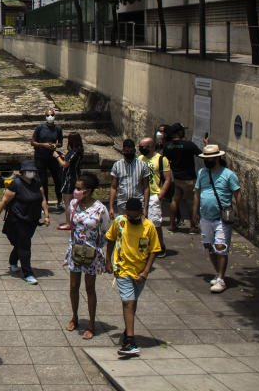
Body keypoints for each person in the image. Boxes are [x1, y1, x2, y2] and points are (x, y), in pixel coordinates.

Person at [105, 198, 161, 357]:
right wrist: (107, 260)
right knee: (128, 302)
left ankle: (128, 329)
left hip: (140, 271)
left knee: (132, 302)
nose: (132, 219)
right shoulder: (120, 222)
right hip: (122, 268)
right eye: (129, 216)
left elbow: (154, 250)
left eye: (135, 216)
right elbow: (110, 239)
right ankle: (130, 341)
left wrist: (146, 272)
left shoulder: (149, 227)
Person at [192, 144, 245, 294]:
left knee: (221, 247)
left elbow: (238, 195)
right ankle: (218, 272)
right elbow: (197, 192)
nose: (206, 161)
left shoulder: (228, 175)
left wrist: (241, 214)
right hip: (205, 217)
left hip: (222, 218)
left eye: (210, 158)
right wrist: (194, 212)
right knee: (210, 247)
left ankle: (221, 278)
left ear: (218, 158)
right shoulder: (202, 173)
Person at [64, 173, 110, 340]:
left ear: (88, 191)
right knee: (73, 286)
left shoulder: (100, 209)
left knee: (90, 288)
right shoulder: (73, 203)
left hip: (92, 252)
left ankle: (91, 323)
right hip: (75, 250)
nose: (76, 191)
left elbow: (107, 232)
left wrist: (103, 253)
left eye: (79, 188)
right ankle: (74, 316)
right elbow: (71, 223)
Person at [0, 160, 49, 285]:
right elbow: (5, 201)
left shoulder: (37, 183)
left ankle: (13, 260)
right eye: (29, 171)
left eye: (33, 171)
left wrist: (46, 215)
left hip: (32, 220)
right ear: (22, 172)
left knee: (21, 244)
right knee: (25, 246)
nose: (31, 173)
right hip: (18, 220)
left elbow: (43, 199)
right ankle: (28, 273)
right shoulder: (16, 184)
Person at [164, 123, 202, 233]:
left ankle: (172, 225)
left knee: (175, 201)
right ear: (180, 132)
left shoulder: (167, 146)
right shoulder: (189, 145)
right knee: (190, 202)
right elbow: (201, 154)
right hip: (189, 178)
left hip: (176, 178)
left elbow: (165, 160)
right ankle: (193, 226)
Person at [138, 137, 172, 256]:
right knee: (142, 223)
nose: (141, 149)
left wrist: (160, 195)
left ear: (151, 147)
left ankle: (160, 246)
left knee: (154, 223)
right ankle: (144, 248)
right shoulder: (140, 159)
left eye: (143, 146)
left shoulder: (161, 159)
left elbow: (168, 178)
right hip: (141, 194)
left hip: (154, 195)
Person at [32, 109, 64, 212]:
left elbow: (60, 143)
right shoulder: (40, 128)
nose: (50, 117)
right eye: (48, 115)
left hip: (52, 156)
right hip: (41, 156)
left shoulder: (58, 129)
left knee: (57, 179)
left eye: (52, 115)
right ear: (45, 117)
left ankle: (59, 201)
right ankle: (44, 202)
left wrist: (55, 145)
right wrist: (43, 145)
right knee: (43, 181)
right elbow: (33, 142)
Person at [109, 139, 151, 219]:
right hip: (122, 204)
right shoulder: (117, 165)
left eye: (131, 151)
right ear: (123, 150)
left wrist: (145, 208)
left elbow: (146, 187)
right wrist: (111, 207)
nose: (129, 153)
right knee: (123, 229)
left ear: (134, 150)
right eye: (126, 151)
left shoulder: (142, 165)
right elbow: (113, 187)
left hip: (138, 203)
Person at [55, 132, 84, 230]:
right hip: (76, 178)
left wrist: (57, 157)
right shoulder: (78, 151)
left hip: (70, 179)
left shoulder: (73, 152)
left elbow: (64, 165)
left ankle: (68, 223)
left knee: (68, 203)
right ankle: (74, 221)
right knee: (75, 202)